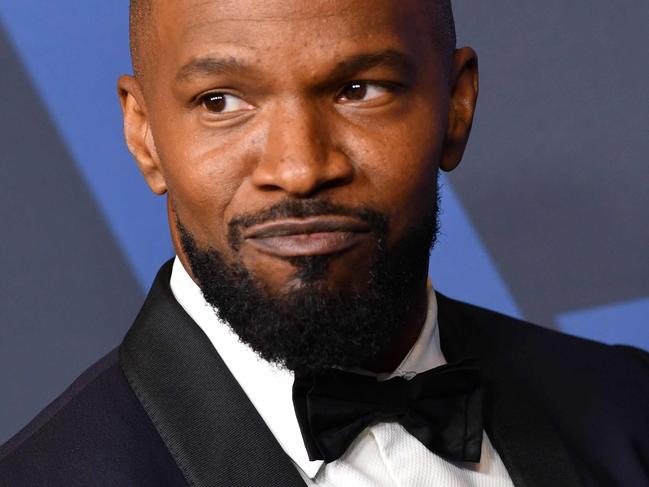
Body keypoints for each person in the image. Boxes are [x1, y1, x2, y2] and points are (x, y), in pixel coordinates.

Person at [1, 0, 648, 485]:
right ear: (144, 137)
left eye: (358, 90)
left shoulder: (626, 406)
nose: (298, 167)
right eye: (221, 101)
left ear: (457, 105)